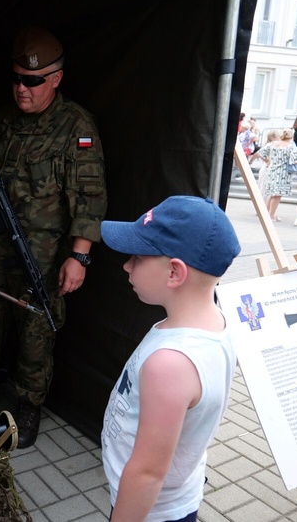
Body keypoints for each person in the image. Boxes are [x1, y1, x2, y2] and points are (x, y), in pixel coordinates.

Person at [0, 26, 107, 448]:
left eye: (33, 81)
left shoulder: (76, 125)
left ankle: (28, 403)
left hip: (41, 252)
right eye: (17, 78)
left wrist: (79, 256)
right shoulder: (3, 119)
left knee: (36, 328)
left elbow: (90, 198)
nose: (22, 88)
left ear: (56, 78)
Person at [100, 195, 240, 522]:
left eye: (137, 257)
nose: (126, 265)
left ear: (175, 272)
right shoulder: (215, 324)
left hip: (149, 512)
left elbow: (147, 473)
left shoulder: (170, 363)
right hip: (174, 498)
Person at [259, 128, 297, 222]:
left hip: (271, 170)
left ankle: (266, 214)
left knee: (271, 193)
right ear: (291, 137)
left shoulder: (272, 144)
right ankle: (271, 215)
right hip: (283, 173)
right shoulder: (290, 146)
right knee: (277, 195)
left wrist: (267, 161)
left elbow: (261, 153)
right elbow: (295, 160)